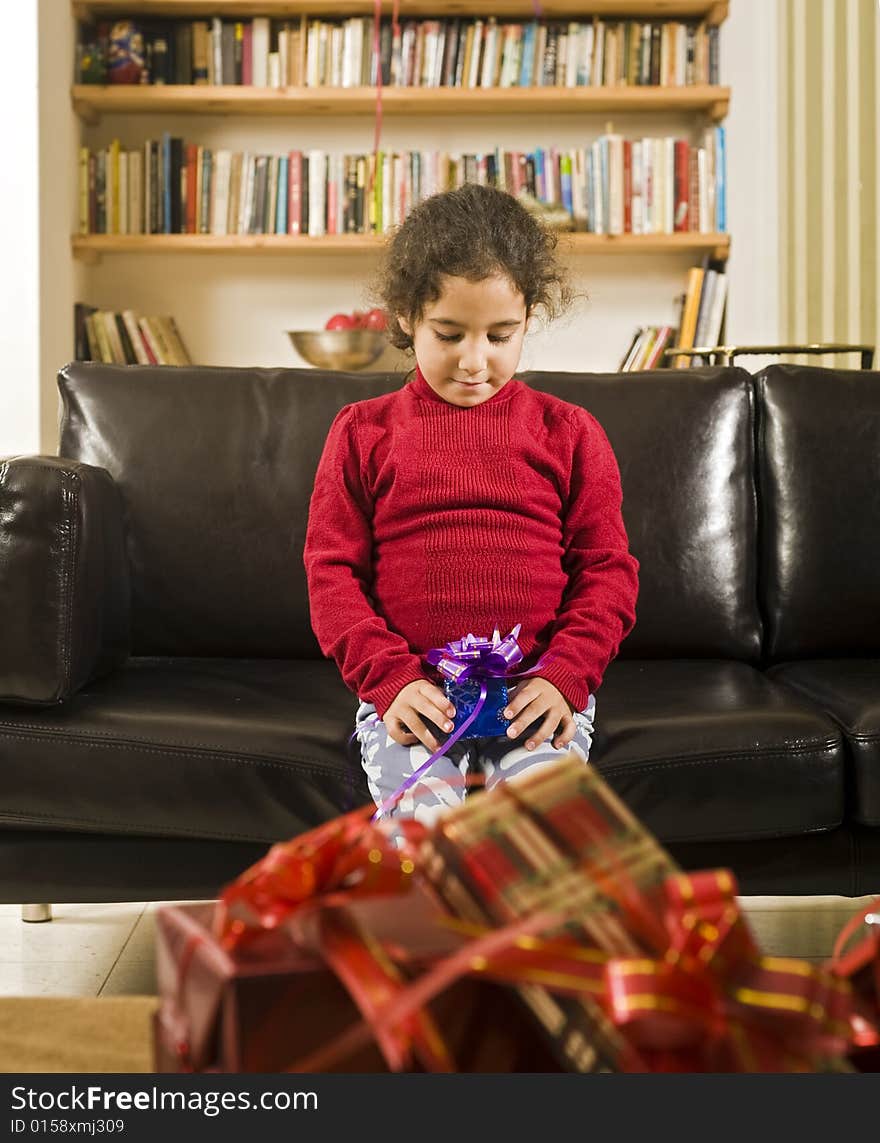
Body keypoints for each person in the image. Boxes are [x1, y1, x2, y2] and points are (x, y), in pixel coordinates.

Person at [304, 183, 639, 825]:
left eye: (500, 335)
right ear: (405, 316)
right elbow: (332, 574)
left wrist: (567, 675)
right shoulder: (362, 431)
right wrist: (391, 681)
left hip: (534, 696)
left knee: (540, 838)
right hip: (415, 697)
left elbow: (607, 572)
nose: (474, 361)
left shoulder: (569, 432)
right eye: (450, 334)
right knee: (426, 840)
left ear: (529, 319)